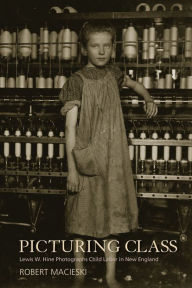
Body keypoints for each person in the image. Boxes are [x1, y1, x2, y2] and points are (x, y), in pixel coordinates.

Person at [59, 21, 158, 288]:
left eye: (106, 45)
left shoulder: (114, 74)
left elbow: (135, 84)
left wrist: (148, 99)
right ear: (83, 49)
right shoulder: (75, 82)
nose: (101, 51)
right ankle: (79, 271)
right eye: (94, 46)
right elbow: (70, 129)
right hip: (85, 159)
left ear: (113, 49)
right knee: (80, 217)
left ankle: (110, 275)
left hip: (113, 160)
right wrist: (71, 170)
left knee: (112, 216)